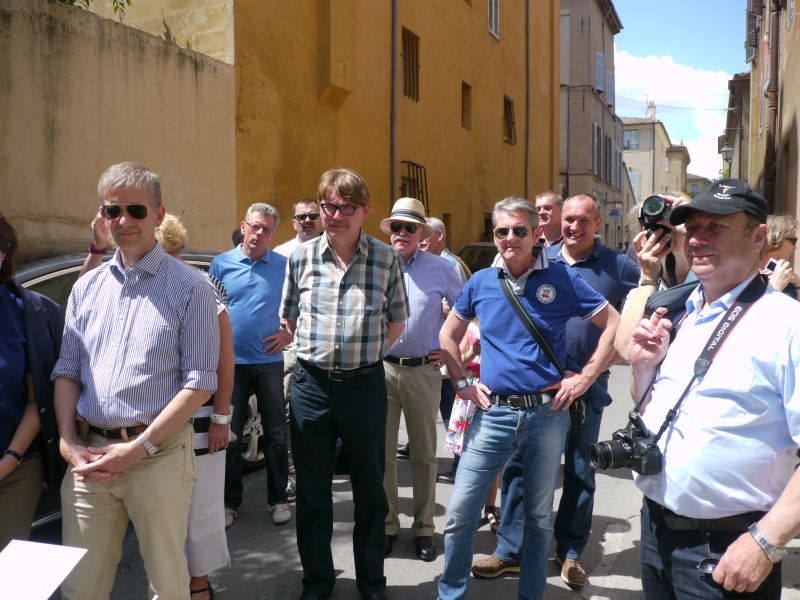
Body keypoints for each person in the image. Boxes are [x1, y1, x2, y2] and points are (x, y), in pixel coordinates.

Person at [437, 196, 619, 600]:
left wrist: (586, 377)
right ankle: (450, 593)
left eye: (520, 230)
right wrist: (461, 380)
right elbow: (448, 334)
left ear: (537, 234)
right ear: (494, 235)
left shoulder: (561, 278)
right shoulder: (481, 281)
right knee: (460, 513)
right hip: (492, 413)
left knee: (538, 519)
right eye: (502, 231)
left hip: (546, 416)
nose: (511, 238)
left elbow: (614, 323)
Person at [52, 162, 220, 599]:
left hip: (157, 456)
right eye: (113, 210)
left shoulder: (192, 288)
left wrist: (140, 447)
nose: (124, 220)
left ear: (158, 215)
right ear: (103, 216)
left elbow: (201, 382)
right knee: (80, 588)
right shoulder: (87, 288)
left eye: (136, 210)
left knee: (167, 585)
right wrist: (67, 440)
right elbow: (67, 370)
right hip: (90, 456)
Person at [628, 179, 800, 599]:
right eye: (692, 228)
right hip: (656, 533)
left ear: (758, 237)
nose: (696, 240)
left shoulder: (787, 325)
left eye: (716, 227)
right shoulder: (685, 312)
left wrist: (766, 541)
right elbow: (653, 412)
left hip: (728, 550)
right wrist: (643, 370)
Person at [281, 168, 408, 600]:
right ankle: (318, 582)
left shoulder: (386, 259)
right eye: (328, 206)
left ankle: (371, 583)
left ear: (365, 211)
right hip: (311, 386)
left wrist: (364, 354)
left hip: (364, 388)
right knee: (313, 493)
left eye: (346, 207)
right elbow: (290, 318)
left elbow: (397, 322)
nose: (335, 215)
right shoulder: (300, 258)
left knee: (370, 492)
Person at [379, 198, 463, 563]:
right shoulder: (378, 264)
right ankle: (387, 525)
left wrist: (450, 350)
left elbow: (467, 311)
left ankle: (424, 528)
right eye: (396, 226)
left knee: (424, 455)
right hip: (381, 370)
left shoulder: (441, 268)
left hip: (423, 371)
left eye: (409, 227)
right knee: (382, 454)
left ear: (421, 234)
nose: (401, 233)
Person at [211, 203, 293, 528]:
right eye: (255, 226)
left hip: (269, 361)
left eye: (266, 229)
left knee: (276, 433)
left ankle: (279, 498)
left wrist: (289, 334)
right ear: (243, 227)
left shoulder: (284, 265)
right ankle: (229, 503)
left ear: (273, 234)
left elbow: (300, 305)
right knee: (228, 434)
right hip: (230, 363)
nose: (259, 233)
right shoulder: (221, 264)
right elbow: (210, 309)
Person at [0, 214, 63, 549]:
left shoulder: (31, 312)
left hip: (16, 467)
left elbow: (38, 396)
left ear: (3, 253)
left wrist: (10, 459)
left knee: (8, 568)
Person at [417, 216, 469, 484]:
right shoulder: (432, 262)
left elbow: (461, 310)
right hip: (440, 354)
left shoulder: (448, 264)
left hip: (447, 354)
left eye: (425, 235)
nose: (420, 240)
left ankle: (462, 466)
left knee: (453, 412)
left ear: (440, 236)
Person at [615, 192, 694, 360]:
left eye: (672, 223)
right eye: (653, 227)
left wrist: (696, 228)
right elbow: (625, 349)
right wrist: (649, 277)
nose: (664, 232)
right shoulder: (646, 285)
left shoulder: (709, 275)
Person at [419, 217, 471, 283]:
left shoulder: (450, 263)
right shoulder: (419, 262)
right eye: (419, 234)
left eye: (425, 234)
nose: (420, 239)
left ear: (439, 235)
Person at [760, 214, 800, 296]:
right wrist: (774, 288)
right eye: (793, 240)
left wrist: (798, 285)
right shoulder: (747, 275)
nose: (795, 247)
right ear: (776, 238)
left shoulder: (788, 277)